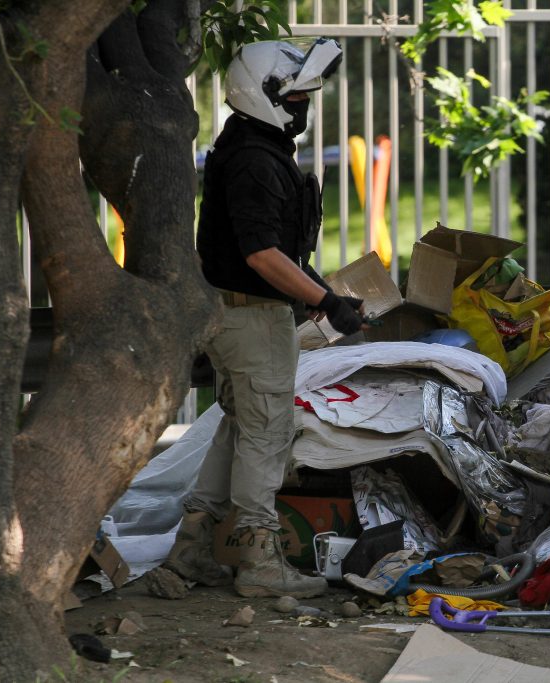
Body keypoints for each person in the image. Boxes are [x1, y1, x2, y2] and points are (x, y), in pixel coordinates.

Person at [163, 39, 364, 598]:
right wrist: (326, 304)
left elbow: (265, 248)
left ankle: (191, 550)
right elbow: (261, 255)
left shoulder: (247, 144)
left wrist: (321, 289)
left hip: (233, 314)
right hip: (252, 322)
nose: (304, 104)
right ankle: (258, 561)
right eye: (297, 94)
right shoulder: (256, 159)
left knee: (240, 427)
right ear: (266, 94)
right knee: (267, 434)